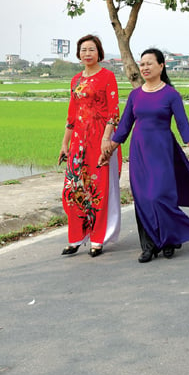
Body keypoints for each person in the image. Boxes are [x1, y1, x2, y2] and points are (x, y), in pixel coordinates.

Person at [101, 48, 189, 263]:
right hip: (139, 152)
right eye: (142, 64)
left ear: (161, 66)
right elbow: (124, 127)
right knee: (143, 199)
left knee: (160, 196)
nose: (145, 67)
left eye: (150, 63)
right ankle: (148, 246)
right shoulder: (135, 95)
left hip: (162, 152)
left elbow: (183, 126)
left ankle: (169, 239)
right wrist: (109, 149)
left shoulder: (171, 95)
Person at [58, 34, 121, 258]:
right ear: (78, 53)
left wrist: (107, 140)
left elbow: (114, 112)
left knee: (97, 190)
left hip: (98, 140)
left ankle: (97, 239)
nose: (87, 53)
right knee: (72, 190)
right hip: (77, 142)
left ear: (99, 53)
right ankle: (76, 237)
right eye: (83, 50)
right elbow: (71, 115)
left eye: (91, 49)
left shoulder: (107, 77)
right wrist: (64, 144)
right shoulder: (75, 80)